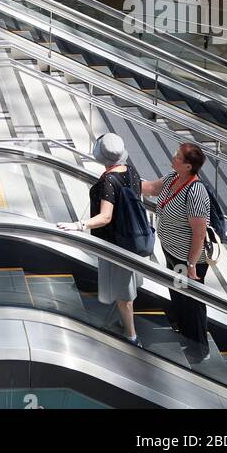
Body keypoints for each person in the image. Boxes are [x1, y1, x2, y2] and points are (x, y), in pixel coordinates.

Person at [59, 133, 144, 346]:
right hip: (132, 238)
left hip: (116, 244)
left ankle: (131, 337)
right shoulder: (131, 171)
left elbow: (106, 216)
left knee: (124, 293)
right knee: (124, 286)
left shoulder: (109, 181)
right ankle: (122, 322)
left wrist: (79, 225)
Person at [142, 142, 212, 357]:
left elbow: (199, 233)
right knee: (177, 291)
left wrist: (191, 265)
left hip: (187, 258)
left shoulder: (195, 192)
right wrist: (125, 176)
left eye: (178, 157)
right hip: (172, 250)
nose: (173, 158)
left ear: (189, 166)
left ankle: (198, 348)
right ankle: (183, 331)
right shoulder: (173, 178)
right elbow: (152, 188)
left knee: (190, 300)